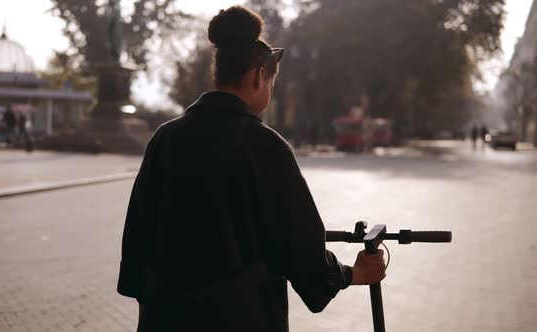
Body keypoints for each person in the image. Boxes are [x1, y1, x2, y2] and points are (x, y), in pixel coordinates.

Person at [117, 6, 386, 332]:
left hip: (165, 317)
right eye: (272, 82)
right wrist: (352, 273)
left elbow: (136, 238)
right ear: (259, 75)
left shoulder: (165, 139)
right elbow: (301, 247)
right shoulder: (265, 147)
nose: (270, 92)